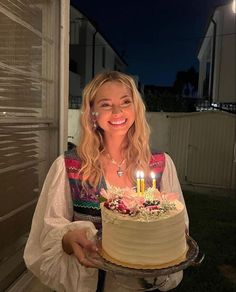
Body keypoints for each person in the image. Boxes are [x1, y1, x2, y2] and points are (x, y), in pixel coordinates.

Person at [24, 71, 189, 292]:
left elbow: (178, 226)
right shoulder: (69, 167)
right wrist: (68, 239)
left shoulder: (161, 164)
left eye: (125, 102)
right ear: (92, 113)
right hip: (87, 282)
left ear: (135, 108)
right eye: (106, 104)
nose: (118, 111)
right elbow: (49, 229)